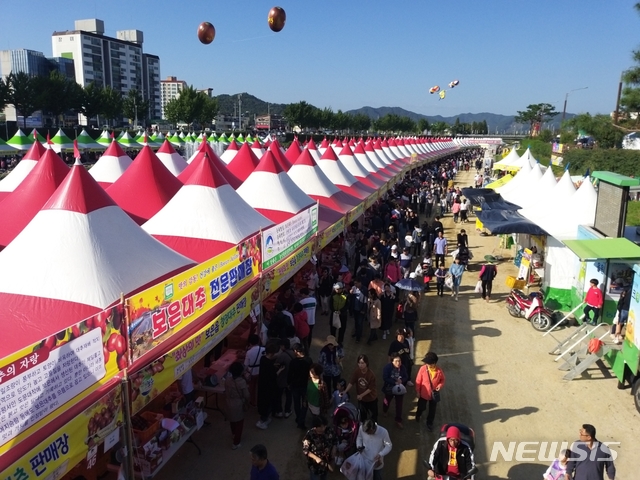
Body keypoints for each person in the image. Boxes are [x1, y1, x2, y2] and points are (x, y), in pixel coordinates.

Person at [415, 352, 445, 431]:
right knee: (421, 407)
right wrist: (418, 391)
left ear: (434, 363)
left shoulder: (439, 371)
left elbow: (442, 380)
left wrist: (439, 386)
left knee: (432, 410)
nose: (426, 364)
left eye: (428, 362)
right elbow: (418, 381)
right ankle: (418, 414)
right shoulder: (423, 369)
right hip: (423, 393)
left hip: (433, 394)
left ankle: (429, 422)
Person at [256, 342, 283, 430]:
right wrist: (280, 370)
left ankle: (265, 419)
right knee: (267, 404)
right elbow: (274, 375)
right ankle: (262, 421)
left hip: (262, 385)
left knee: (264, 403)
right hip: (268, 387)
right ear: (272, 353)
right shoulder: (269, 364)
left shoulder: (263, 359)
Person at [344, 354, 378, 422]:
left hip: (371, 399)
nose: (360, 365)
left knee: (374, 416)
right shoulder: (357, 371)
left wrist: (361, 395)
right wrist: (345, 391)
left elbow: (370, 389)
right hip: (362, 400)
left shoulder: (371, 375)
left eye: (362, 363)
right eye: (359, 363)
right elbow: (352, 382)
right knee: (362, 416)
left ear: (366, 363)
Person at [302, 416, 337, 480]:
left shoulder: (329, 430)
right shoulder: (310, 434)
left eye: (324, 426)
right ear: (315, 427)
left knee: (324, 477)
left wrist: (334, 448)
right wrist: (316, 458)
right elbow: (305, 450)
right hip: (315, 465)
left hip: (327, 462)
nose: (323, 428)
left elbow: (335, 439)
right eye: (320, 427)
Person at [225, 361, 250, 449]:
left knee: (232, 421)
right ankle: (236, 442)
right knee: (239, 423)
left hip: (229, 402)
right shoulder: (242, 382)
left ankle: (233, 434)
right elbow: (246, 395)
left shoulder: (227, 380)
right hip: (238, 404)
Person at [289, 343, 312, 430]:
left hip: (295, 386)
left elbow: (290, 375)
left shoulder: (293, 362)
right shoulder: (308, 360)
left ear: (296, 351)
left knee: (297, 403)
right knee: (305, 403)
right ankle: (301, 420)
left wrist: (289, 383)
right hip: (305, 385)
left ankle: (299, 418)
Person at [382, 355, 408, 428]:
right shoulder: (387, 368)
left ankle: (398, 420)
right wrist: (394, 382)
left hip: (399, 389)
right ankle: (385, 410)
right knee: (387, 401)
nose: (398, 363)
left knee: (399, 405)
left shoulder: (403, 368)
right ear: (392, 361)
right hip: (389, 388)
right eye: (396, 361)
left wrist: (401, 380)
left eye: (399, 361)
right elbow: (385, 377)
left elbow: (406, 376)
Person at [274, 339, 294, 419]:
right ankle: (287, 411)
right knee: (289, 395)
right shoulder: (294, 354)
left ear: (283, 346)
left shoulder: (281, 356)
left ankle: (279, 411)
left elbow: (276, 366)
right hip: (291, 379)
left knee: (279, 396)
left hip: (281, 379)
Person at [244, 334, 264, 406]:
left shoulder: (249, 352)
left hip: (252, 372)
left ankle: (253, 402)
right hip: (261, 371)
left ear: (250, 342)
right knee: (260, 387)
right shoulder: (263, 349)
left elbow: (246, 364)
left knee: (252, 388)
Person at [350, 279, 368, 343]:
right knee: (356, 322)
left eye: (356, 283)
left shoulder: (365, 289)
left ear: (360, 283)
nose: (355, 285)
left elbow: (365, 300)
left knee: (360, 323)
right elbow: (351, 297)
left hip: (361, 310)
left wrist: (364, 309)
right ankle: (356, 332)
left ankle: (358, 337)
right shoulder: (354, 288)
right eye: (354, 283)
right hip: (355, 309)